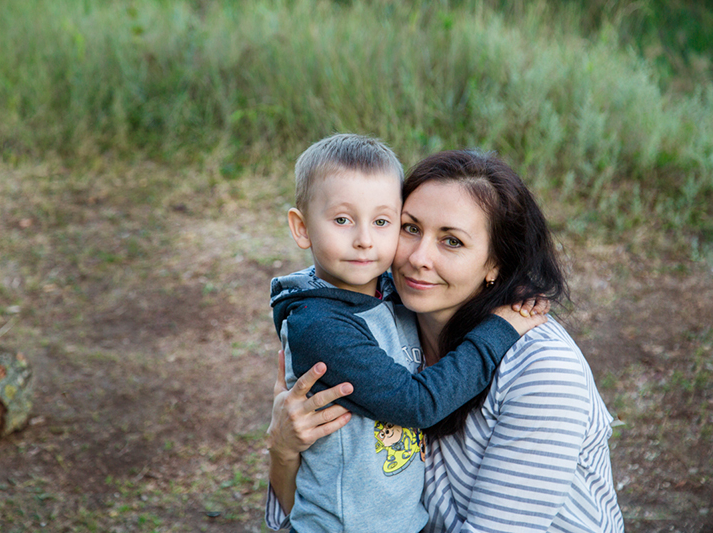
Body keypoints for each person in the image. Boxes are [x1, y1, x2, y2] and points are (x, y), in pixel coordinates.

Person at [267, 149, 624, 532]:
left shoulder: (544, 370)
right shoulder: (379, 321)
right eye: (411, 228)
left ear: (496, 263)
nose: (419, 258)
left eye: (452, 241)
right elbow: (308, 509)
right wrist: (283, 449)